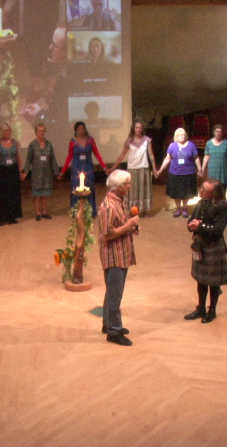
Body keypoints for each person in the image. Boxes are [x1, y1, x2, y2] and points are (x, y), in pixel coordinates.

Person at [97, 170, 139, 346]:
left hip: (121, 253)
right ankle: (114, 332)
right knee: (115, 295)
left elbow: (119, 225)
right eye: (128, 183)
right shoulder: (107, 206)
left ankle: (108, 323)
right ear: (120, 186)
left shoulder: (118, 201)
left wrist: (130, 227)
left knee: (112, 291)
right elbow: (107, 234)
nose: (130, 186)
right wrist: (129, 225)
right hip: (114, 255)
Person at [184, 179, 227, 323]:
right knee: (201, 280)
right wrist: (191, 225)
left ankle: (212, 310)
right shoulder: (200, 203)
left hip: (213, 246)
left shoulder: (222, 206)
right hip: (200, 245)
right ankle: (201, 308)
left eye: (205, 190)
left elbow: (218, 229)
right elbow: (192, 220)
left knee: (213, 282)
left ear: (213, 193)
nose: (201, 191)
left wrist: (200, 226)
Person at [107, 120, 155, 216]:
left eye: (140, 128)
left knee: (143, 190)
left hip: (143, 168)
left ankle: (142, 209)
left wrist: (155, 169)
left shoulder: (147, 140)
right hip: (132, 168)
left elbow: (151, 155)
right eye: (136, 127)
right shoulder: (129, 140)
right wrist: (113, 168)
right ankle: (134, 210)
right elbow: (122, 155)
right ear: (134, 128)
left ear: (142, 129)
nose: (138, 130)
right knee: (132, 190)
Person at [58, 121, 106, 216]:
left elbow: (96, 153)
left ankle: (90, 211)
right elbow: (69, 156)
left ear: (85, 129)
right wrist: (63, 171)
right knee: (77, 189)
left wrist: (104, 167)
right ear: (76, 130)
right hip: (77, 167)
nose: (81, 131)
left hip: (88, 167)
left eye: (82, 129)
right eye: (79, 129)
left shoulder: (90, 140)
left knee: (89, 189)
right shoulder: (72, 141)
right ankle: (77, 211)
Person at [155, 128, 200, 218]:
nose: (181, 137)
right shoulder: (172, 146)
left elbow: (196, 158)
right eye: (179, 135)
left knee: (186, 192)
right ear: (176, 136)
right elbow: (168, 158)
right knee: (176, 193)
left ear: (185, 135)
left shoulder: (191, 145)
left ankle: (185, 208)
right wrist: (161, 169)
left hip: (188, 173)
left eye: (183, 135)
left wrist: (200, 169)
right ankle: (178, 208)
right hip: (175, 173)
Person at [21, 123, 59, 221]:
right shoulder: (32, 145)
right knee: (37, 194)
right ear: (36, 132)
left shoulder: (49, 144)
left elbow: (53, 159)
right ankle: (38, 212)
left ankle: (45, 212)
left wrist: (56, 172)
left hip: (47, 173)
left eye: (43, 130)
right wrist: (25, 172)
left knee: (45, 194)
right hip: (36, 173)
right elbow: (28, 159)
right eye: (39, 131)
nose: (41, 132)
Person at [0, 123, 24, 226]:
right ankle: (2, 217)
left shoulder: (15, 142)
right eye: (6, 131)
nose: (8, 133)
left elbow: (18, 157)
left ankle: (12, 216)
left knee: (13, 193)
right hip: (3, 170)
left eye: (9, 131)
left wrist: (20, 171)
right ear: (1, 132)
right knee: (3, 194)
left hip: (13, 169)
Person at [200, 124, 227, 197]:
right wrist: (202, 169)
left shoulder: (226, 143)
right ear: (214, 132)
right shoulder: (209, 143)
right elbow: (206, 157)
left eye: (220, 132)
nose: (218, 133)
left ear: (222, 133)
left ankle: (222, 205)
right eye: (216, 131)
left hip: (223, 170)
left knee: (222, 190)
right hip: (213, 170)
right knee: (212, 190)